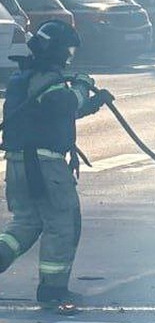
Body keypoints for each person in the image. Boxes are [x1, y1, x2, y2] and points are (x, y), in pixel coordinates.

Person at [0, 21, 112, 305]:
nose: (68, 56)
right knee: (62, 223)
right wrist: (83, 87)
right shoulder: (45, 77)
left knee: (26, 223)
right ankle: (53, 289)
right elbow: (61, 104)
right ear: (56, 49)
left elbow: (53, 112)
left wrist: (93, 103)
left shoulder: (26, 77)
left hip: (18, 162)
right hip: (45, 165)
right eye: (67, 50)